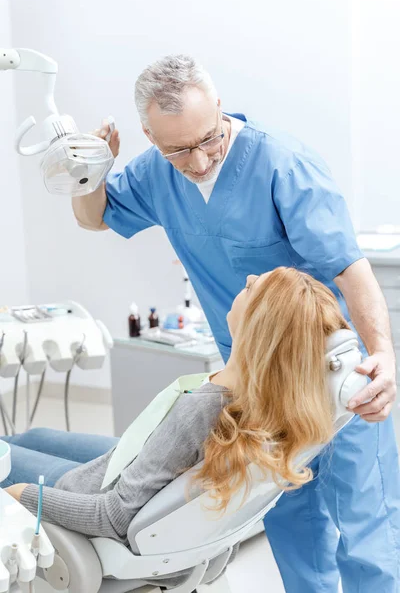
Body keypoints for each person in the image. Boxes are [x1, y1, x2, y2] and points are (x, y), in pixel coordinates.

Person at [72, 55, 400, 591]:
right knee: (289, 514)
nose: (199, 160)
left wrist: (382, 352)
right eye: (178, 149)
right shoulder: (157, 174)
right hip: (253, 377)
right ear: (149, 135)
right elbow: (93, 216)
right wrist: (88, 171)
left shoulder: (283, 165)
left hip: (330, 373)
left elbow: (351, 269)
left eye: (209, 139)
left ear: (220, 109)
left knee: (365, 521)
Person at [2, 269, 351, 584]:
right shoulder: (266, 400)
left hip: (90, 494)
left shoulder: (201, 410)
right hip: (123, 462)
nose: (249, 278)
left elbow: (112, 516)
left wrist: (22, 495)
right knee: (32, 437)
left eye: (255, 287)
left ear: (259, 327)